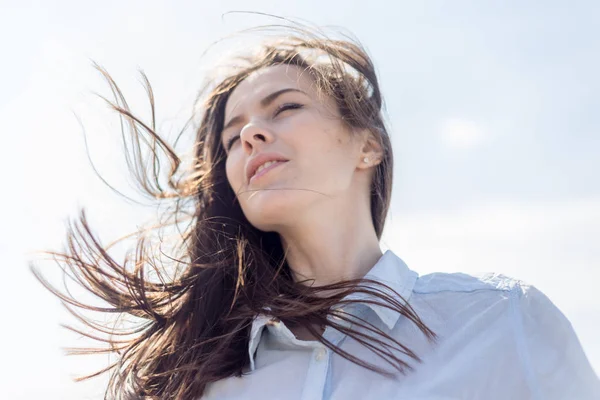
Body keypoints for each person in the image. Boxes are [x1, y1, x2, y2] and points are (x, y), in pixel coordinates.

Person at [33, 24, 600, 400]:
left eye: (286, 107)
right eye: (233, 139)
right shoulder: (203, 380)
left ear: (367, 146)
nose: (252, 134)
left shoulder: (504, 324)